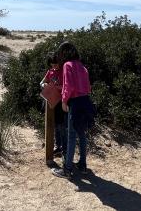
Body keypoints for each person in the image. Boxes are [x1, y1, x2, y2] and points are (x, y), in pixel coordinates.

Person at [51, 42, 94, 179]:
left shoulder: (67, 65)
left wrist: (64, 101)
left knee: (71, 136)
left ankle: (67, 169)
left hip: (75, 102)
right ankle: (83, 165)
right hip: (85, 101)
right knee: (82, 134)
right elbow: (88, 87)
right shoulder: (82, 66)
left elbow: (68, 86)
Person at [40, 52, 67, 157]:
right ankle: (57, 146)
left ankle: (63, 148)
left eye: (56, 64)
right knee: (55, 125)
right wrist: (45, 84)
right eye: (52, 64)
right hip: (51, 101)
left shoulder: (63, 72)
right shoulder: (50, 72)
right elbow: (41, 83)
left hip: (60, 101)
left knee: (61, 126)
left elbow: (66, 86)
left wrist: (57, 87)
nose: (54, 66)